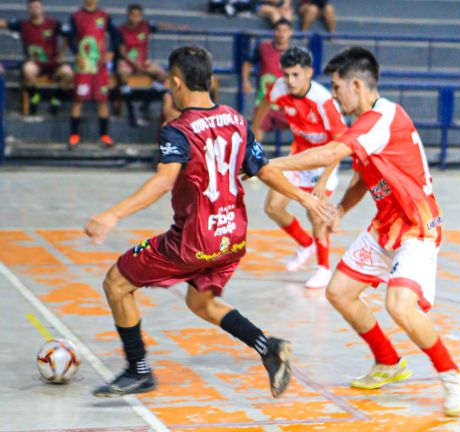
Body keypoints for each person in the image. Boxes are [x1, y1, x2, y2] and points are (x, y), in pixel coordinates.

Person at [84, 45, 332, 398]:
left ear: (175, 83)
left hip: (193, 240)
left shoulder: (178, 129)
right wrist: (304, 196)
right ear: (211, 81)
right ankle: (267, 347)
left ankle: (138, 371)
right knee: (200, 302)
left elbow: (163, 181)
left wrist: (112, 214)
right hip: (232, 239)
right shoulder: (235, 118)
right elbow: (262, 169)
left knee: (116, 283)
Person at [270, 47, 460, 417]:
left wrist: (269, 165)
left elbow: (328, 152)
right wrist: (342, 209)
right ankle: (388, 362)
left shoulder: (382, 119)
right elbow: (364, 175)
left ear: (357, 85)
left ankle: (453, 375)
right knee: (340, 292)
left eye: (336, 87)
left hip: (416, 226)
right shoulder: (367, 121)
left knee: (399, 305)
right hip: (386, 224)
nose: (333, 95)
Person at [251, 46, 346, 289]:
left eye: (296, 75)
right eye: (286, 75)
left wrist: (323, 180)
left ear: (308, 73)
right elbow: (264, 103)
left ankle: (323, 268)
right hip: (299, 156)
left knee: (315, 214)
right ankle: (305, 244)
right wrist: (255, 131)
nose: (290, 81)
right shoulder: (280, 88)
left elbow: (342, 145)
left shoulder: (324, 101)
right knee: (272, 207)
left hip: (325, 161)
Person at [0, 0, 73, 116]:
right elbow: (4, 24)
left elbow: (69, 34)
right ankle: (35, 96)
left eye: (37, 6)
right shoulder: (23, 25)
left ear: (42, 7)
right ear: (28, 9)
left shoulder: (53, 24)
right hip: (35, 63)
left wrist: (62, 52)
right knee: (28, 69)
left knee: (68, 72)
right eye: (32, 7)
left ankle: (57, 99)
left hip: (52, 63)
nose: (35, 9)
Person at [67, 0, 117, 148]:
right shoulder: (76, 16)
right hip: (83, 65)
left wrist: (110, 52)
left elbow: (115, 35)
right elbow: (70, 38)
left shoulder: (105, 15)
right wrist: (76, 54)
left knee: (103, 100)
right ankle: (74, 136)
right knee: (78, 99)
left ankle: (104, 136)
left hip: (100, 65)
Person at [117, 4, 173, 127]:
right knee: (123, 72)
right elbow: (122, 52)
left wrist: (179, 27)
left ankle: (146, 103)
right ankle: (130, 110)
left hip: (143, 62)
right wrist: (135, 65)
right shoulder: (121, 30)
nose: (135, 18)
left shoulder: (145, 26)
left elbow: (159, 25)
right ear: (128, 15)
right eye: (133, 15)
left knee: (162, 74)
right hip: (128, 62)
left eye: (138, 16)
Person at [242, 18, 292, 138]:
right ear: (274, 31)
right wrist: (246, 81)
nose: (281, 34)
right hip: (263, 100)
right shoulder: (263, 48)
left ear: (290, 33)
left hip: (287, 102)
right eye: (279, 30)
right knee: (256, 130)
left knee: (303, 127)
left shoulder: (294, 53)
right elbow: (248, 63)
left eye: (285, 31)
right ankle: (256, 157)